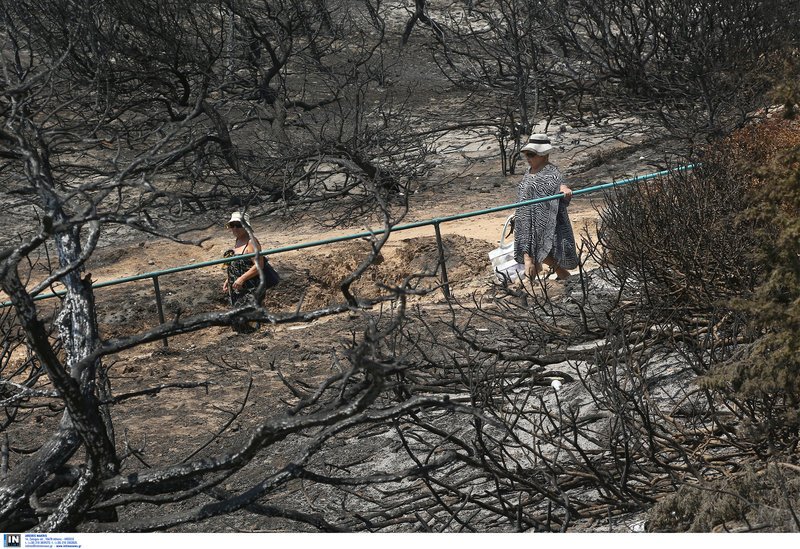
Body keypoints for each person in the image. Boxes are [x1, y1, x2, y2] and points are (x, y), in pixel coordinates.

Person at [513, 133, 578, 280]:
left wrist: (564, 190)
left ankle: (557, 275)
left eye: (531, 154)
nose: (528, 158)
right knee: (528, 253)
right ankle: (534, 280)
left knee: (542, 250)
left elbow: (560, 185)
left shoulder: (552, 172)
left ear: (543, 155)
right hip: (526, 220)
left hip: (544, 220)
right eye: (526, 154)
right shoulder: (528, 172)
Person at [221, 211, 279, 308]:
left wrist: (242, 279)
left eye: (238, 225)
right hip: (237, 290)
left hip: (250, 290)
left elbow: (259, 265)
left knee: (250, 313)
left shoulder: (252, 242)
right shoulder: (238, 240)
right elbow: (238, 265)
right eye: (232, 225)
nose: (235, 228)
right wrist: (228, 279)